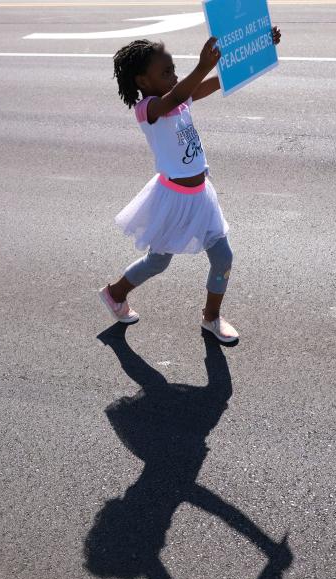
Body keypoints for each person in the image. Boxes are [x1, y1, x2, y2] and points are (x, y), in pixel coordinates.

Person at [99, 29, 281, 344]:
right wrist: (202, 66)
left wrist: (257, 49)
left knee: (223, 257)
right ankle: (115, 293)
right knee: (158, 262)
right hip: (172, 200)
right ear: (143, 81)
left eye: (174, 69)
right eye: (166, 72)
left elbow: (208, 85)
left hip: (201, 196)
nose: (174, 75)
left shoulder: (179, 100)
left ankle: (211, 317)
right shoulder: (149, 109)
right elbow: (180, 94)